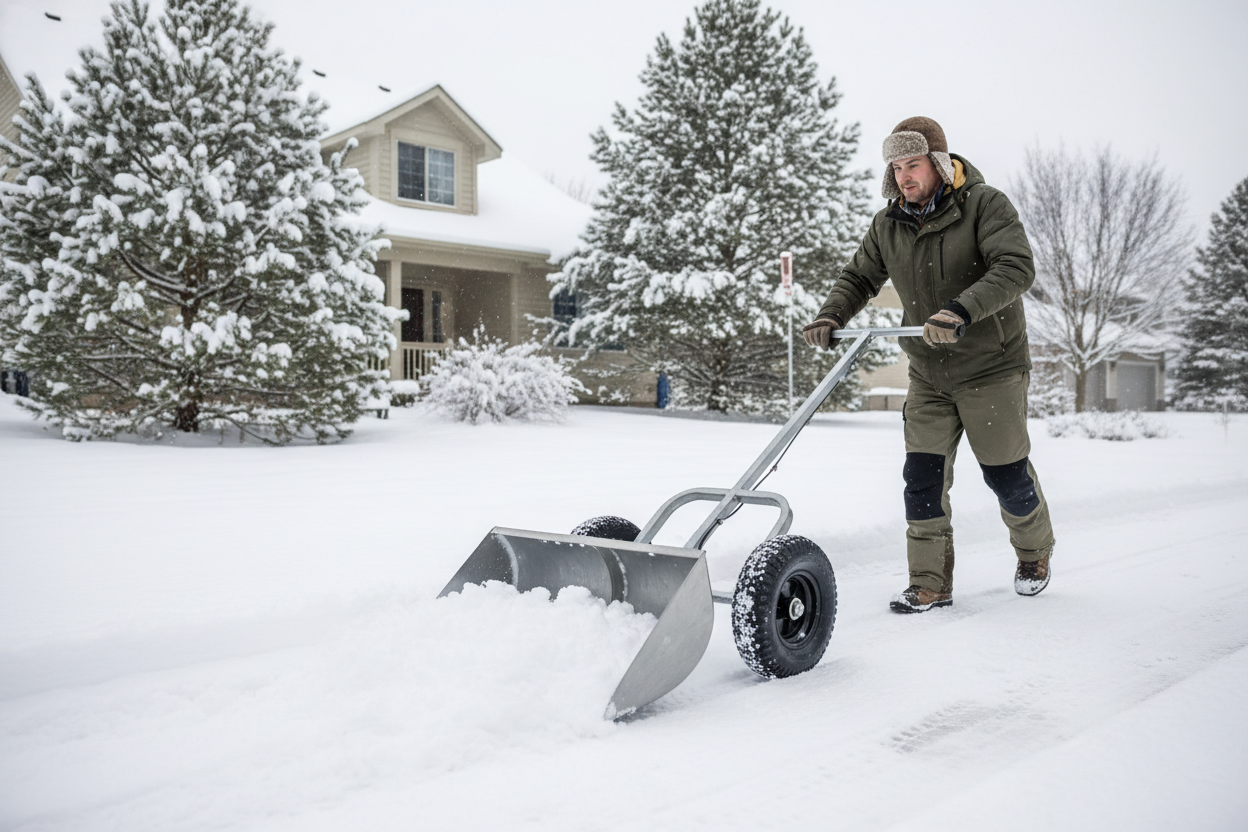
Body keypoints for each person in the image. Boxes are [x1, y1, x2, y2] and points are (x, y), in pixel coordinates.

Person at [802, 116, 1055, 613]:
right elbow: (859, 277)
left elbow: (1015, 267)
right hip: (929, 374)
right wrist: (832, 314)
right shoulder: (888, 223)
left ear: (938, 162)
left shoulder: (985, 205)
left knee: (1006, 476)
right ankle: (930, 583)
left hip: (991, 367)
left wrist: (961, 309)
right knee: (922, 481)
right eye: (896, 167)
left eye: (912, 164)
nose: (903, 177)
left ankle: (1034, 553)